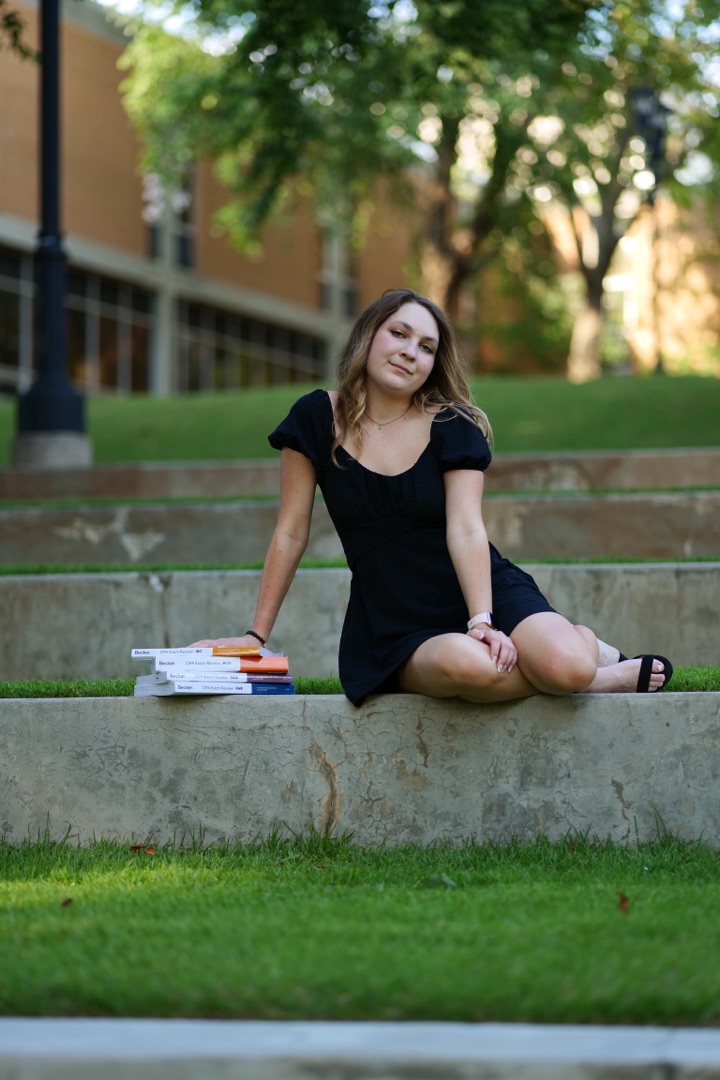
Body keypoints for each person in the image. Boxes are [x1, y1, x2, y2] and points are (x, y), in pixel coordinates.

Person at [191, 288, 673, 706]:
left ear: (433, 364)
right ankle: (600, 678)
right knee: (470, 667)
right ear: (368, 335)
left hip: (483, 592)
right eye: (398, 334)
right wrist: (255, 637)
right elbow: (291, 531)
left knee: (566, 665)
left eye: (426, 347)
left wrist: (481, 621)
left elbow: (466, 529)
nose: (410, 352)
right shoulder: (315, 418)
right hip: (395, 620)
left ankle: (579, 658)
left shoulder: (450, 425)